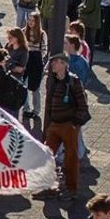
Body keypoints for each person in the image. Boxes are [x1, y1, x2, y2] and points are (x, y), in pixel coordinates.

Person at [42, 53, 90, 200]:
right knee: (46, 155)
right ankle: (48, 186)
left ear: (63, 64)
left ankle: (71, 189)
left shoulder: (73, 81)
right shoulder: (55, 81)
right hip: (55, 124)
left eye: (55, 62)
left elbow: (82, 105)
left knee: (71, 158)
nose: (52, 66)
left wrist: (75, 123)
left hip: (68, 125)